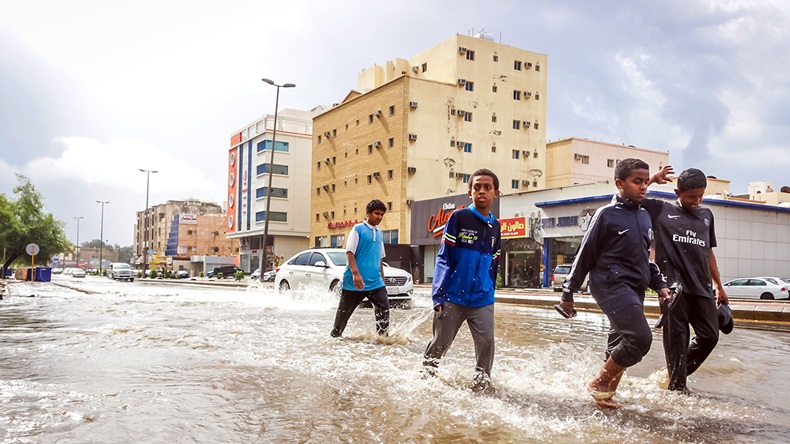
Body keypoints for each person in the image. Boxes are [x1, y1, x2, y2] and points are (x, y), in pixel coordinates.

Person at [559, 158, 671, 408]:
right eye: (637, 182)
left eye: (646, 182)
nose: (643, 187)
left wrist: (661, 284)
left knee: (618, 344)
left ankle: (604, 395)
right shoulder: (606, 214)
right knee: (640, 338)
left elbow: (645, 259)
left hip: (635, 288)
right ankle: (598, 382)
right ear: (620, 184)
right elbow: (584, 254)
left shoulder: (644, 216)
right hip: (610, 285)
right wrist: (568, 291)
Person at [645, 166, 729, 392]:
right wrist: (652, 179)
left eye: (701, 195)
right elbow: (632, 198)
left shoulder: (706, 216)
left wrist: (719, 286)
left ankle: (669, 374)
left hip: (702, 288)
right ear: (677, 192)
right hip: (673, 291)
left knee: (710, 336)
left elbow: (708, 252)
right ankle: (677, 389)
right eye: (692, 196)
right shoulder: (661, 211)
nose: (697, 200)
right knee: (677, 341)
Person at [423, 169, 502, 391]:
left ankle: (481, 385)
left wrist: (491, 290)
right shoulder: (458, 218)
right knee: (441, 343)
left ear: (496, 193)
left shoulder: (496, 226)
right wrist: (438, 294)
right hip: (452, 296)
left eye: (487, 187)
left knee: (487, 343)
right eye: (477, 187)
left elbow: (494, 261)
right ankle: (426, 377)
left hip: (482, 298)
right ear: (470, 192)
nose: (482, 191)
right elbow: (443, 257)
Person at [330, 199, 389, 338]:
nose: (379, 217)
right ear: (368, 213)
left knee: (384, 309)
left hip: (375, 281)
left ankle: (383, 340)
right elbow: (350, 252)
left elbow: (380, 257)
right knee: (343, 315)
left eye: (382, 214)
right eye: (376, 213)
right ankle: (335, 339)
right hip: (355, 282)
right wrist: (356, 274)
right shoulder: (358, 229)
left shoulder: (379, 233)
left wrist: (382, 276)